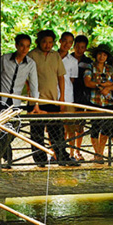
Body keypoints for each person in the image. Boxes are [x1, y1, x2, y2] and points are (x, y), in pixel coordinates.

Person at [28, 30, 78, 167]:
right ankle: (40, 160)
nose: (47, 45)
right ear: (39, 42)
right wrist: (31, 97)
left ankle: (61, 157)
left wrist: (61, 98)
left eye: (50, 42)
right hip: (36, 101)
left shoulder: (55, 56)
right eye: (44, 42)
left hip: (52, 100)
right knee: (37, 133)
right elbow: (26, 78)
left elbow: (61, 77)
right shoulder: (31, 55)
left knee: (57, 131)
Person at [0, 34, 41, 168]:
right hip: (0, 99)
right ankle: (6, 159)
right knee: (1, 130)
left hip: (16, 102)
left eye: (28, 46)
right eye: (22, 45)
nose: (24, 49)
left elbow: (34, 84)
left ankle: (6, 155)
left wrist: (36, 103)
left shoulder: (30, 64)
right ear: (16, 45)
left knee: (15, 129)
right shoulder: (4, 59)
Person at [83, 44, 113, 162]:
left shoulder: (110, 68)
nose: (101, 57)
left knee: (109, 128)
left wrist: (108, 88)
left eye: (104, 55)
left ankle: (103, 153)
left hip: (108, 102)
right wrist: (103, 85)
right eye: (99, 54)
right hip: (95, 101)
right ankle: (97, 153)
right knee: (95, 128)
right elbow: (87, 83)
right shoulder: (90, 66)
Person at [69, 35, 93, 160]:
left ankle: (77, 151)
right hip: (68, 94)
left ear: (85, 48)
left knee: (80, 126)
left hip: (82, 96)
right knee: (68, 125)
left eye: (82, 47)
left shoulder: (88, 62)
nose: (79, 49)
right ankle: (69, 152)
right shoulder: (67, 58)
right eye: (77, 46)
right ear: (74, 46)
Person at [58, 32, 80, 159]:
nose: (67, 44)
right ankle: (56, 153)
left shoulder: (73, 61)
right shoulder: (52, 56)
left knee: (70, 127)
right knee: (54, 128)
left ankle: (71, 153)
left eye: (70, 42)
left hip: (68, 97)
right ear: (60, 41)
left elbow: (72, 79)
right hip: (53, 96)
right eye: (65, 41)